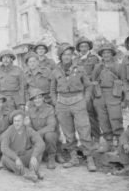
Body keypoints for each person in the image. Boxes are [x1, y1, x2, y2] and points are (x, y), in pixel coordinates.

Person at [50, 43, 97, 172]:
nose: (67, 57)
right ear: (60, 56)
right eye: (64, 54)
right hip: (62, 104)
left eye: (69, 54)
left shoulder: (80, 69)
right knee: (68, 132)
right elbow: (52, 90)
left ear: (72, 55)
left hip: (78, 101)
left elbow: (88, 86)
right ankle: (73, 158)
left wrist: (85, 100)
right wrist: (56, 103)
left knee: (84, 129)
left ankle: (89, 159)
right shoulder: (55, 71)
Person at [92, 43, 124, 153]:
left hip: (113, 93)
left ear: (112, 54)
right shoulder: (98, 67)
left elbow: (123, 81)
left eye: (108, 52)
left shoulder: (118, 66)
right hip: (100, 94)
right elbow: (93, 80)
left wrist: (122, 99)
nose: (106, 55)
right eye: (104, 53)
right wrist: (95, 97)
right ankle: (109, 142)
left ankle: (120, 143)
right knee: (103, 119)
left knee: (115, 118)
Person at [1, 110, 45, 183]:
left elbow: (40, 143)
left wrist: (34, 156)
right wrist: (16, 158)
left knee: (38, 150)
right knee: (4, 158)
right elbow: (4, 148)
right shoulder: (9, 131)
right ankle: (25, 173)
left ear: (23, 121)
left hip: (24, 155)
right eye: (15, 121)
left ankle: (33, 170)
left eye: (19, 121)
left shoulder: (28, 130)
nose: (16, 123)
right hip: (14, 158)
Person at [75, 36, 101, 143]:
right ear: (79, 48)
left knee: (91, 113)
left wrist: (94, 83)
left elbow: (99, 74)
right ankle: (86, 138)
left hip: (90, 90)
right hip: (79, 90)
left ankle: (96, 137)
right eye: (81, 46)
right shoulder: (75, 60)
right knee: (82, 114)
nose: (84, 48)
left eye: (86, 46)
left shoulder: (94, 59)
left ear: (89, 47)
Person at [28, 88, 57, 169]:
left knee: (50, 135)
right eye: (35, 98)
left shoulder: (49, 108)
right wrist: (33, 134)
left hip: (45, 136)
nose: (37, 100)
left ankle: (51, 156)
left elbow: (51, 126)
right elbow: (29, 126)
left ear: (43, 98)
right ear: (32, 101)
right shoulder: (30, 110)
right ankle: (42, 155)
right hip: (36, 137)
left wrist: (38, 133)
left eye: (39, 97)